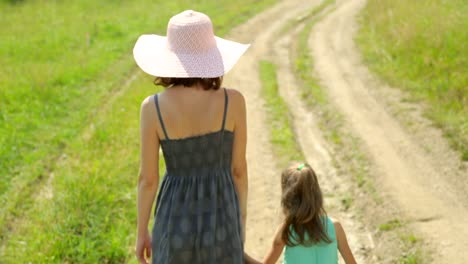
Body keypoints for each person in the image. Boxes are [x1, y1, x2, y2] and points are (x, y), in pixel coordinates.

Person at [133, 10, 250, 264]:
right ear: (211, 56)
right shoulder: (234, 102)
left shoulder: (152, 108)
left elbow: (148, 179)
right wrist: (240, 220)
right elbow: (239, 170)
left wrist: (141, 232)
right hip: (222, 219)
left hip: (174, 222)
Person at [248, 163, 357, 264]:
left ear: (287, 199)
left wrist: (243, 256)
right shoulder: (335, 227)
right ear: (317, 195)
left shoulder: (286, 231)